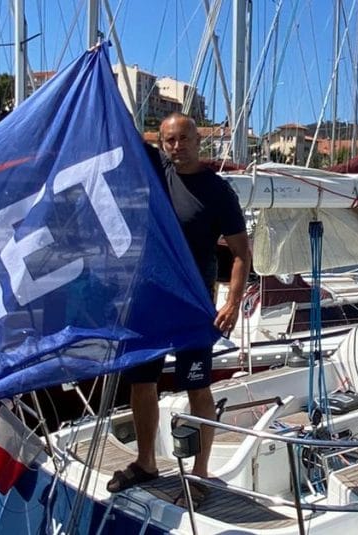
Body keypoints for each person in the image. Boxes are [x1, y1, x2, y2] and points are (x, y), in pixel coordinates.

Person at [107, 113, 250, 509]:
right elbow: (123, 132)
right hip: (150, 300)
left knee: (197, 387)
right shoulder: (157, 172)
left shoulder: (218, 192)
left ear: (197, 140)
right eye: (169, 140)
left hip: (193, 305)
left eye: (183, 138)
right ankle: (146, 462)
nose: (176, 146)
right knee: (141, 382)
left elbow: (240, 253)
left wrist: (233, 302)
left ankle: (201, 475)